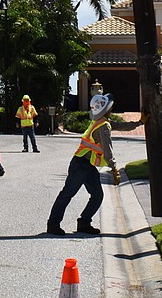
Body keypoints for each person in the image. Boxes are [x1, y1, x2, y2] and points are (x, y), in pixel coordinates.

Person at [46, 91, 121, 235]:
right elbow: (107, 150)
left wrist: (140, 123)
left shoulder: (101, 122)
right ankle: (53, 225)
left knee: (97, 195)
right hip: (80, 165)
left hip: (87, 166)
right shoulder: (103, 126)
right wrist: (114, 168)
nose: (112, 108)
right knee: (67, 194)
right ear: (106, 109)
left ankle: (84, 223)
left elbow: (120, 126)